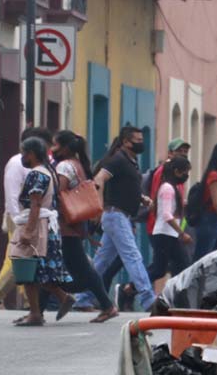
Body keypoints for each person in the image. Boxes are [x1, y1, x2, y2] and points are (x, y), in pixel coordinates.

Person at [82, 126, 156, 312]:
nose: (141, 143)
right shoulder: (118, 160)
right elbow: (99, 179)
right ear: (125, 141)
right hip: (115, 215)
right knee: (133, 256)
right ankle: (148, 298)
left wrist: (141, 198)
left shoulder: (131, 162)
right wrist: (98, 208)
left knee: (101, 261)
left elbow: (127, 186)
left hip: (119, 215)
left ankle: (82, 297)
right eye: (137, 140)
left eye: (142, 139)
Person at [0, 127, 52, 309]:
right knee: (18, 257)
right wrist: (18, 219)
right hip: (21, 217)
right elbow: (12, 193)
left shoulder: (40, 166)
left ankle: (23, 300)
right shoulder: (16, 163)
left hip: (34, 217)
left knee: (22, 257)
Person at [51, 130, 119, 323]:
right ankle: (43, 306)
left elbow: (60, 193)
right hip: (74, 224)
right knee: (72, 267)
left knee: (77, 268)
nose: (52, 149)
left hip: (65, 225)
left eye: (55, 145)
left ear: (65, 148)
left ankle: (107, 305)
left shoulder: (64, 167)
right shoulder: (79, 165)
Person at [9, 137, 76, 326]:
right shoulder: (49, 172)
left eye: (24, 153)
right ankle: (62, 298)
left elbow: (35, 204)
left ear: (31, 153)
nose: (22, 157)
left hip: (38, 226)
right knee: (40, 270)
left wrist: (28, 231)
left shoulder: (36, 175)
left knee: (26, 266)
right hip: (47, 225)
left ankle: (35, 313)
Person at [146, 156, 194, 284]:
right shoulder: (168, 188)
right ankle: (129, 288)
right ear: (177, 171)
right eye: (185, 172)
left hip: (170, 235)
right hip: (164, 235)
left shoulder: (172, 188)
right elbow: (167, 215)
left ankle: (176, 297)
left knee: (181, 265)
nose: (186, 176)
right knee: (159, 269)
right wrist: (182, 233)